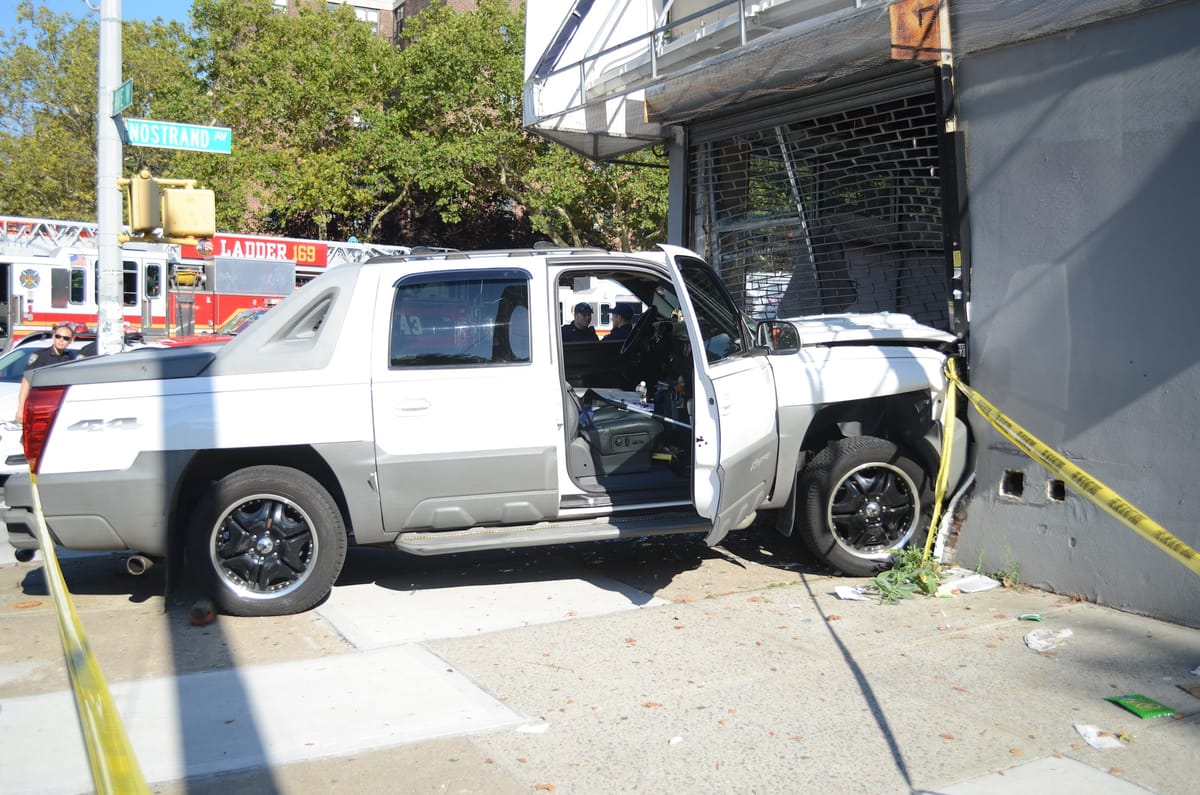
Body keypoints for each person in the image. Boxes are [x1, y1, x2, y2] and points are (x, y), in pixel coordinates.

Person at [14, 323, 78, 423]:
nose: (61, 340)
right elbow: (26, 382)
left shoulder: (69, 358)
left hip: (58, 407)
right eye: (58, 336)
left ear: (70, 340)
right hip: (39, 405)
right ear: (53, 337)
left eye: (65, 338)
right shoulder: (40, 356)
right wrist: (21, 408)